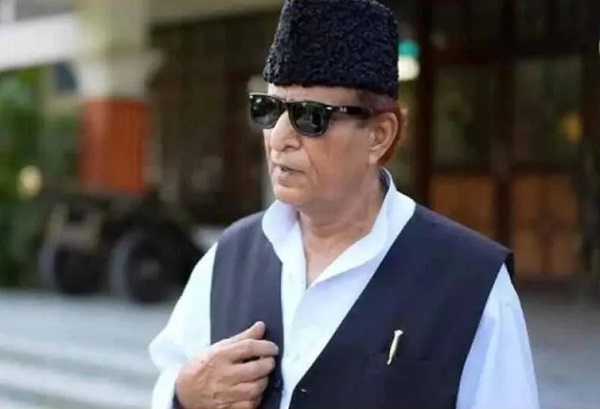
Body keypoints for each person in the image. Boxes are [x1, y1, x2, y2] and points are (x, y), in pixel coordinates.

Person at [149, 0, 540, 408]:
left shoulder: (470, 285)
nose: (279, 138)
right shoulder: (230, 257)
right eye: (268, 109)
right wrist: (184, 394)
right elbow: (171, 382)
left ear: (379, 135)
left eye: (309, 117)